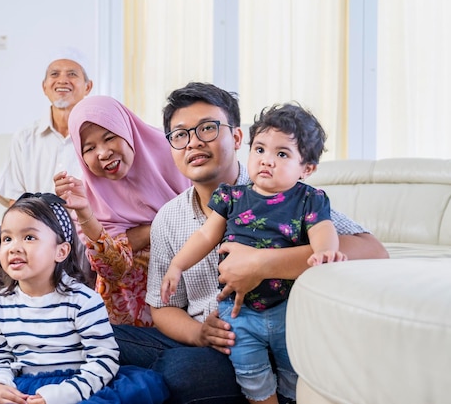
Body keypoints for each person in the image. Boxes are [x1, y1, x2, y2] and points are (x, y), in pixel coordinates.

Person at [112, 82, 389, 404]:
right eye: (180, 135)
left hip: (276, 330)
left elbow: (372, 251)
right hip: (213, 336)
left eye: (208, 128)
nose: (194, 143)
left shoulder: (283, 191)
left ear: (237, 138)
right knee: (99, 335)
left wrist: (261, 264)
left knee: (184, 374)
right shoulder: (169, 217)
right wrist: (199, 334)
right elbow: (163, 308)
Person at [161, 102, 348, 404]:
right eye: (259, 150)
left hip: (291, 310)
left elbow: (323, 231)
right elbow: (206, 235)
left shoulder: (309, 199)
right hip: (239, 314)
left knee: (295, 373)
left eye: (282, 154)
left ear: (307, 169)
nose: (267, 161)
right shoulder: (231, 196)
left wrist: (326, 254)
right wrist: (177, 266)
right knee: (252, 375)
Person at [0, 193, 168, 404]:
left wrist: (62, 395)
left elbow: (103, 361)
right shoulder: (0, 305)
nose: (14, 247)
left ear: (61, 251)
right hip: (22, 387)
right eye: (7, 239)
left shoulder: (82, 301)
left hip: (74, 387)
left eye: (29, 237)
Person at [54, 95, 190, 327]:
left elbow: (201, 223)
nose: (103, 153)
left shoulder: (178, 159)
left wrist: (137, 235)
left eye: (110, 138)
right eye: (89, 148)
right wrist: (86, 214)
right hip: (127, 323)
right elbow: (112, 268)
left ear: (128, 132)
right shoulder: (87, 196)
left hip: (191, 308)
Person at [0, 48, 95, 303]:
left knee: (91, 245)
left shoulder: (98, 136)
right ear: (44, 87)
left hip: (78, 234)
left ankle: (74, 310)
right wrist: (28, 232)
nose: (62, 79)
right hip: (30, 230)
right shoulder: (25, 137)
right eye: (55, 74)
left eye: (72, 74)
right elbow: (13, 201)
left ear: (88, 87)